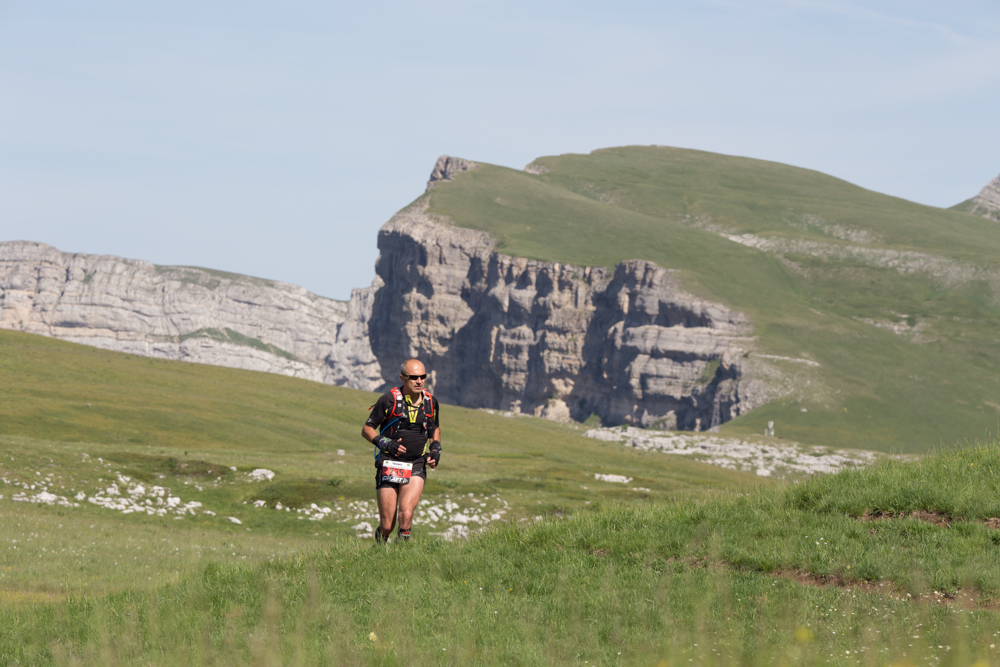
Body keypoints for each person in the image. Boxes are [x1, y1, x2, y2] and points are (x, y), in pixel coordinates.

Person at [361, 358, 441, 543]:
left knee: (405, 514)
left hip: (415, 464)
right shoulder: (388, 400)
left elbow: (434, 429)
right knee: (387, 525)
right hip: (389, 463)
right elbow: (366, 429)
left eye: (422, 376)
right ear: (403, 378)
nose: (419, 381)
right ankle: (380, 548)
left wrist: (435, 449)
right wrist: (386, 443)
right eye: (413, 377)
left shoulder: (431, 402)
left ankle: (402, 556)